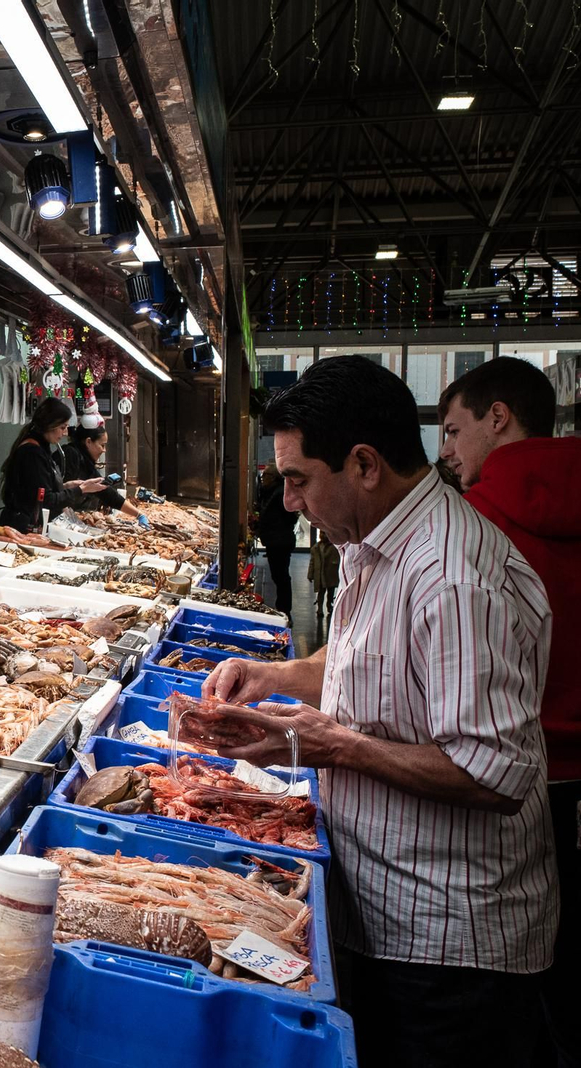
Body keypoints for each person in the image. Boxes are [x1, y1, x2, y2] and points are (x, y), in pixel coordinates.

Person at [200, 355, 556, 1068]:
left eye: (300, 479)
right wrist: (272, 676)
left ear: (363, 463)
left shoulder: (454, 577)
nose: (292, 501)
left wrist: (333, 747)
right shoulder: (376, 541)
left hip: (448, 951)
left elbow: (494, 774)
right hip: (383, 911)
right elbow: (361, 658)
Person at [438, 356, 581, 1067]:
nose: (448, 451)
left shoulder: (472, 532)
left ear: (500, 417)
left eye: (456, 429)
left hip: (521, 789)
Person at [0, 398, 109, 531]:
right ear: (50, 425)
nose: (64, 432)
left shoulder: (41, 448)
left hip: (29, 525)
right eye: (62, 427)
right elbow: (46, 499)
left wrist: (66, 486)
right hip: (18, 528)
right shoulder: (32, 453)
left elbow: (39, 489)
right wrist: (80, 490)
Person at [59, 421, 149, 526]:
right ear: (88, 442)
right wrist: (68, 523)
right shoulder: (71, 455)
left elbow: (108, 493)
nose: (104, 450)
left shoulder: (86, 462)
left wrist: (139, 515)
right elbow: (61, 495)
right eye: (102, 445)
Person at [254, 467, 298, 616]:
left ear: (273, 477)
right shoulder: (270, 492)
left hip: (280, 541)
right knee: (278, 575)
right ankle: (283, 607)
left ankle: (284, 609)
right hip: (275, 540)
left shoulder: (279, 494)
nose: (262, 478)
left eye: (265, 476)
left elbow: (290, 517)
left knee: (281, 576)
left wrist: (275, 528)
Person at [307, 528, 339, 627]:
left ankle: (329, 605)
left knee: (330, 592)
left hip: (330, 574)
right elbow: (312, 562)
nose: (323, 535)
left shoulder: (334, 547)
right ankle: (320, 608)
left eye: (324, 533)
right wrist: (310, 574)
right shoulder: (316, 548)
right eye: (321, 533)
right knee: (321, 593)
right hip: (320, 575)